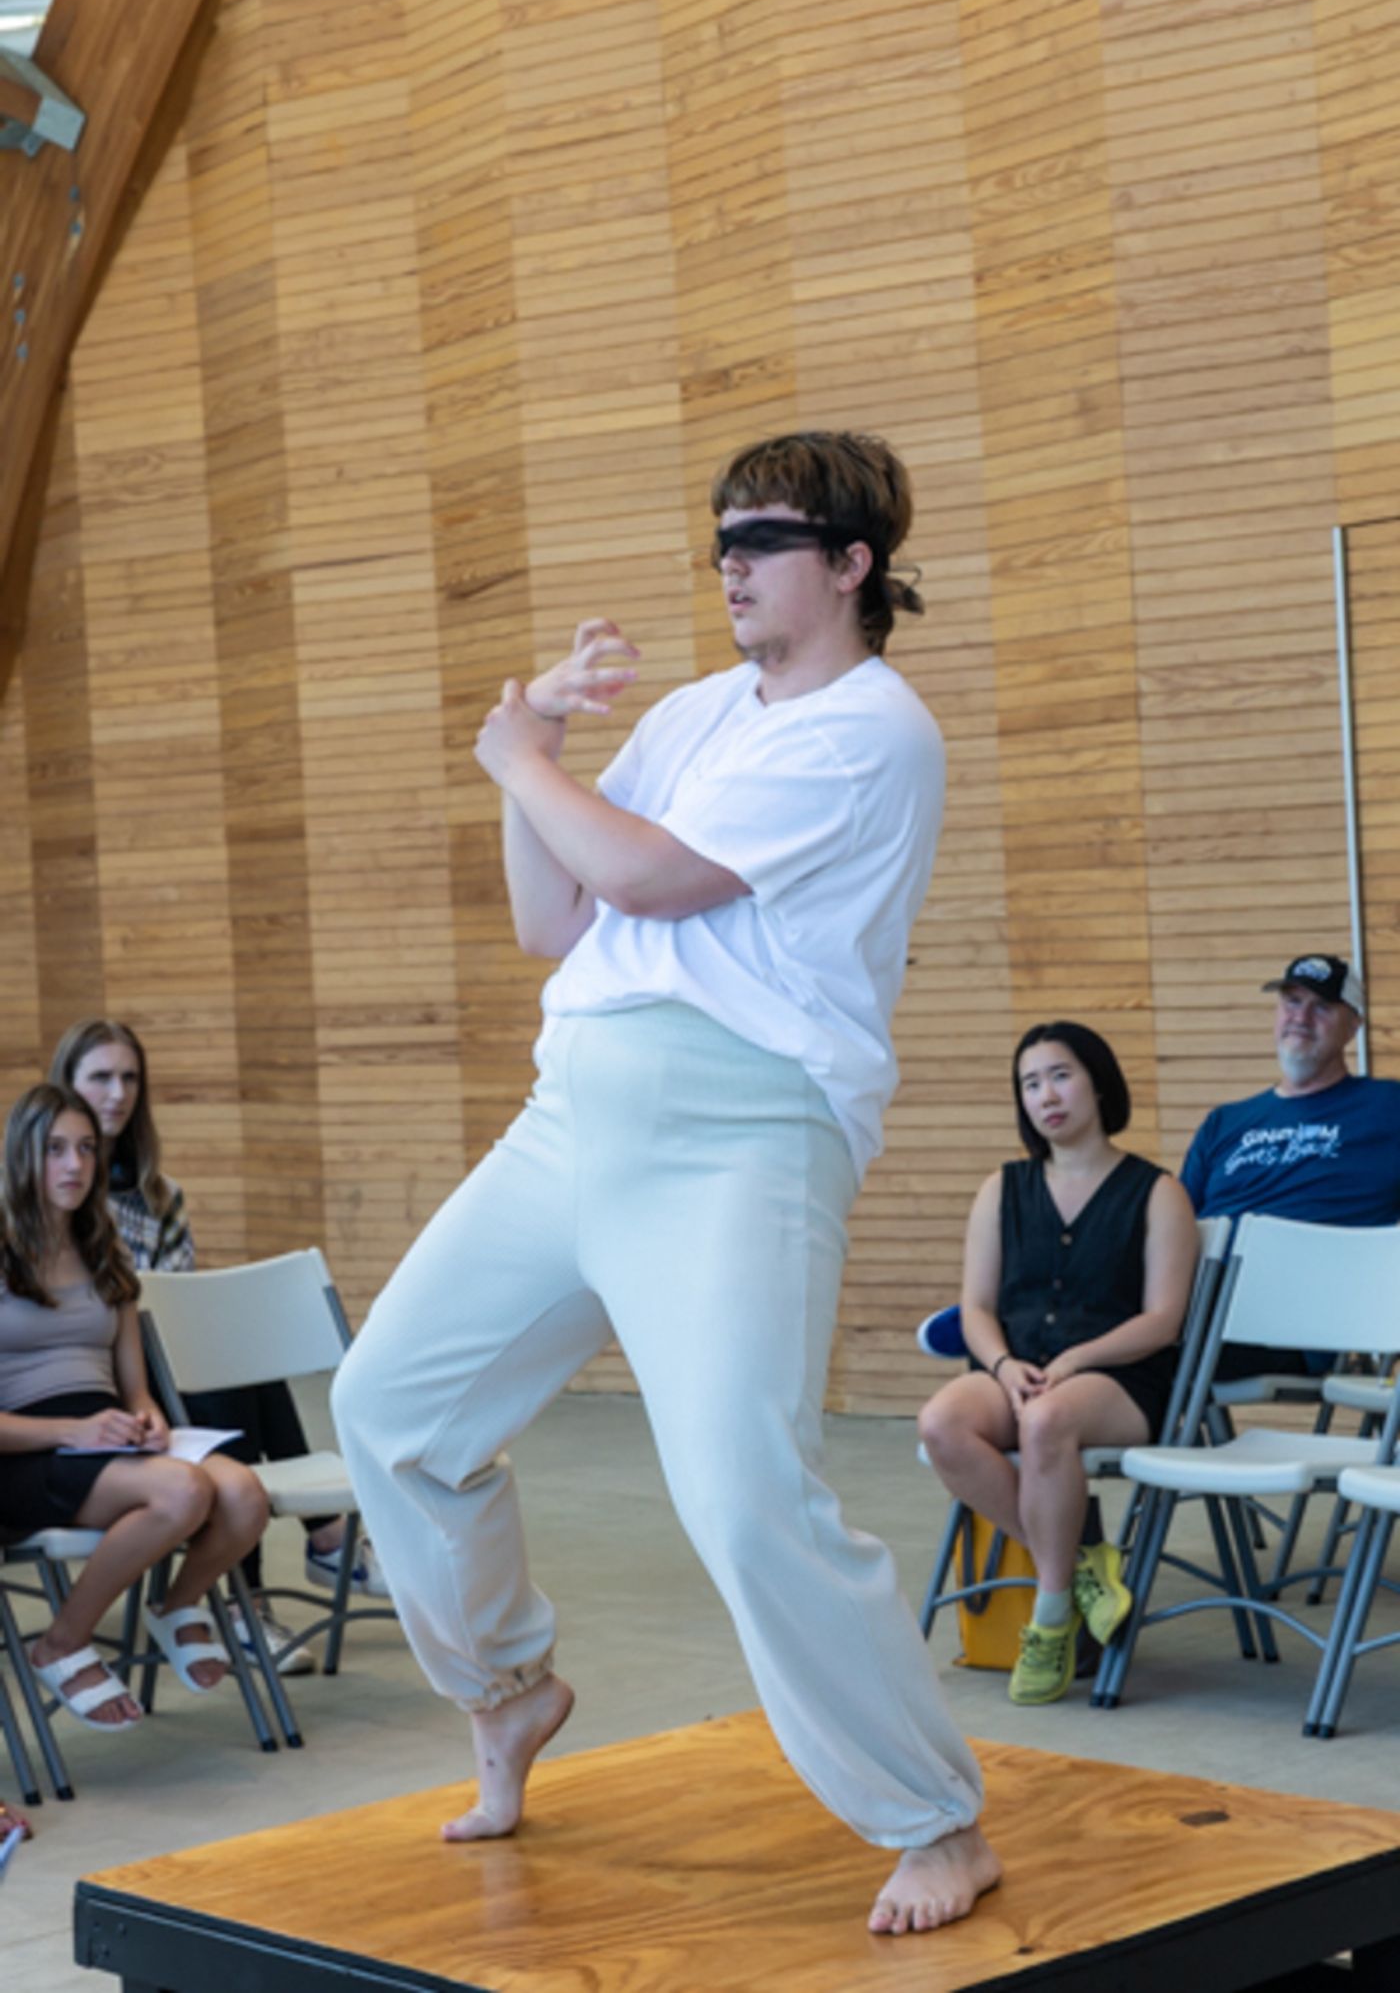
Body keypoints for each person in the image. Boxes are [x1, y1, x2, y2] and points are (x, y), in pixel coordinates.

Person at [333, 430, 1001, 1936]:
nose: (730, 566)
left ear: (852, 563)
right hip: (575, 1107)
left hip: (739, 1130)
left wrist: (520, 760)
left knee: (747, 1494)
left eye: (763, 540)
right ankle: (506, 1687)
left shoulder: (875, 729)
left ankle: (934, 1821)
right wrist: (538, 748)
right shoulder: (698, 712)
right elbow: (554, 917)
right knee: (393, 1408)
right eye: (720, 540)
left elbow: (649, 879)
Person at [50, 1019, 389, 1674]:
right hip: (92, 1377)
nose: (117, 1093)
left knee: (226, 1357)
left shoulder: (160, 1195)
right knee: (214, 1371)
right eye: (100, 1077)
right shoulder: (42, 1190)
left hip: (155, 1366)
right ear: (66, 1084)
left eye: (129, 1078)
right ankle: (273, 1581)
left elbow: (175, 1306)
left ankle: (265, 1585)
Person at [918, 1023, 1197, 1706]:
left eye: (1061, 1076)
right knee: (941, 1424)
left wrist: (1078, 1358)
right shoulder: (1002, 1188)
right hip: (1018, 1372)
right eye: (1031, 1083)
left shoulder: (1158, 1191)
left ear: (1098, 1083)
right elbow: (976, 1306)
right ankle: (1079, 1565)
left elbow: (1164, 1320)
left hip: (1120, 1376)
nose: (1046, 1095)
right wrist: (1001, 1364)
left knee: (1046, 1422)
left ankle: (1049, 1619)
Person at [0, 1083, 268, 1730]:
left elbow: (134, 1384)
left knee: (245, 1495)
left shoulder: (104, 1248)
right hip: (28, 1451)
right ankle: (62, 1642)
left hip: (105, 1435)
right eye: (55, 1149)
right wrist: (74, 1430)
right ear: (20, 1157)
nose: (74, 1165)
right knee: (182, 1493)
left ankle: (177, 1605)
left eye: (86, 1148)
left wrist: (148, 1417)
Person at [1179, 955, 1400, 1376]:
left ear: (1353, 1026)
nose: (1301, 1017)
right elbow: (1175, 1231)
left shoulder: (1389, 1108)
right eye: (1292, 1001)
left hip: (1299, 1327)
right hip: (1196, 1313)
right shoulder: (1224, 1122)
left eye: (1322, 1006)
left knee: (1121, 1356)